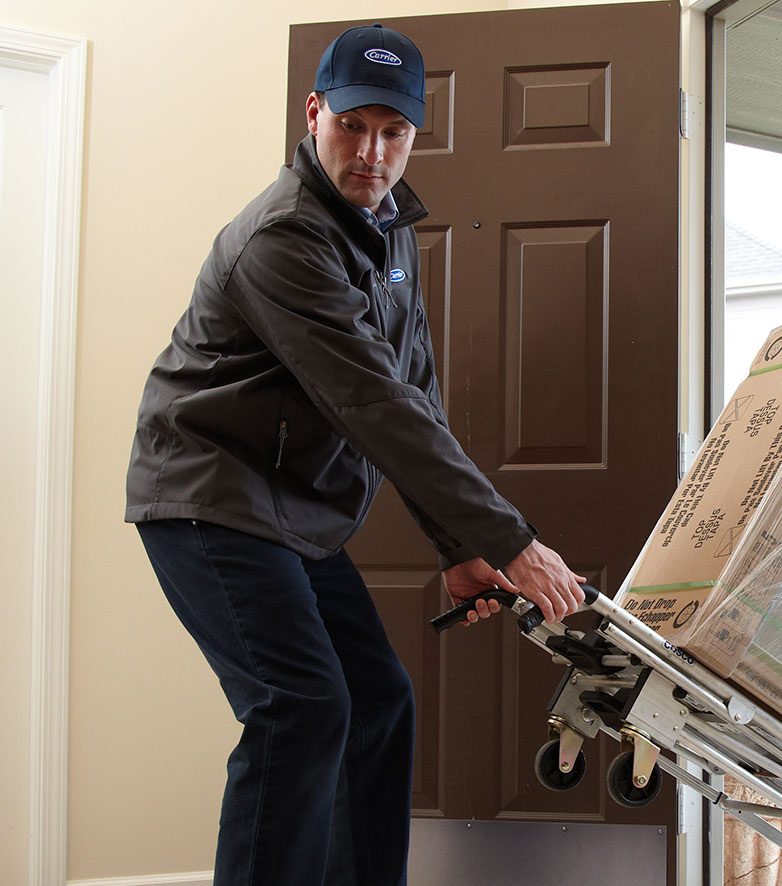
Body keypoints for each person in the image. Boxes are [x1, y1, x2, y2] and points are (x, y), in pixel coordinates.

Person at [125, 24, 585, 886]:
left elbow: (415, 392)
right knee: (299, 710)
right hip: (209, 497)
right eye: (352, 126)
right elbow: (371, 404)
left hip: (290, 509)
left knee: (377, 703)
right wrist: (516, 545)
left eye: (394, 131)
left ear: (416, 131)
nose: (371, 153)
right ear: (313, 114)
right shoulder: (282, 237)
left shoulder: (387, 230)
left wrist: (462, 549)